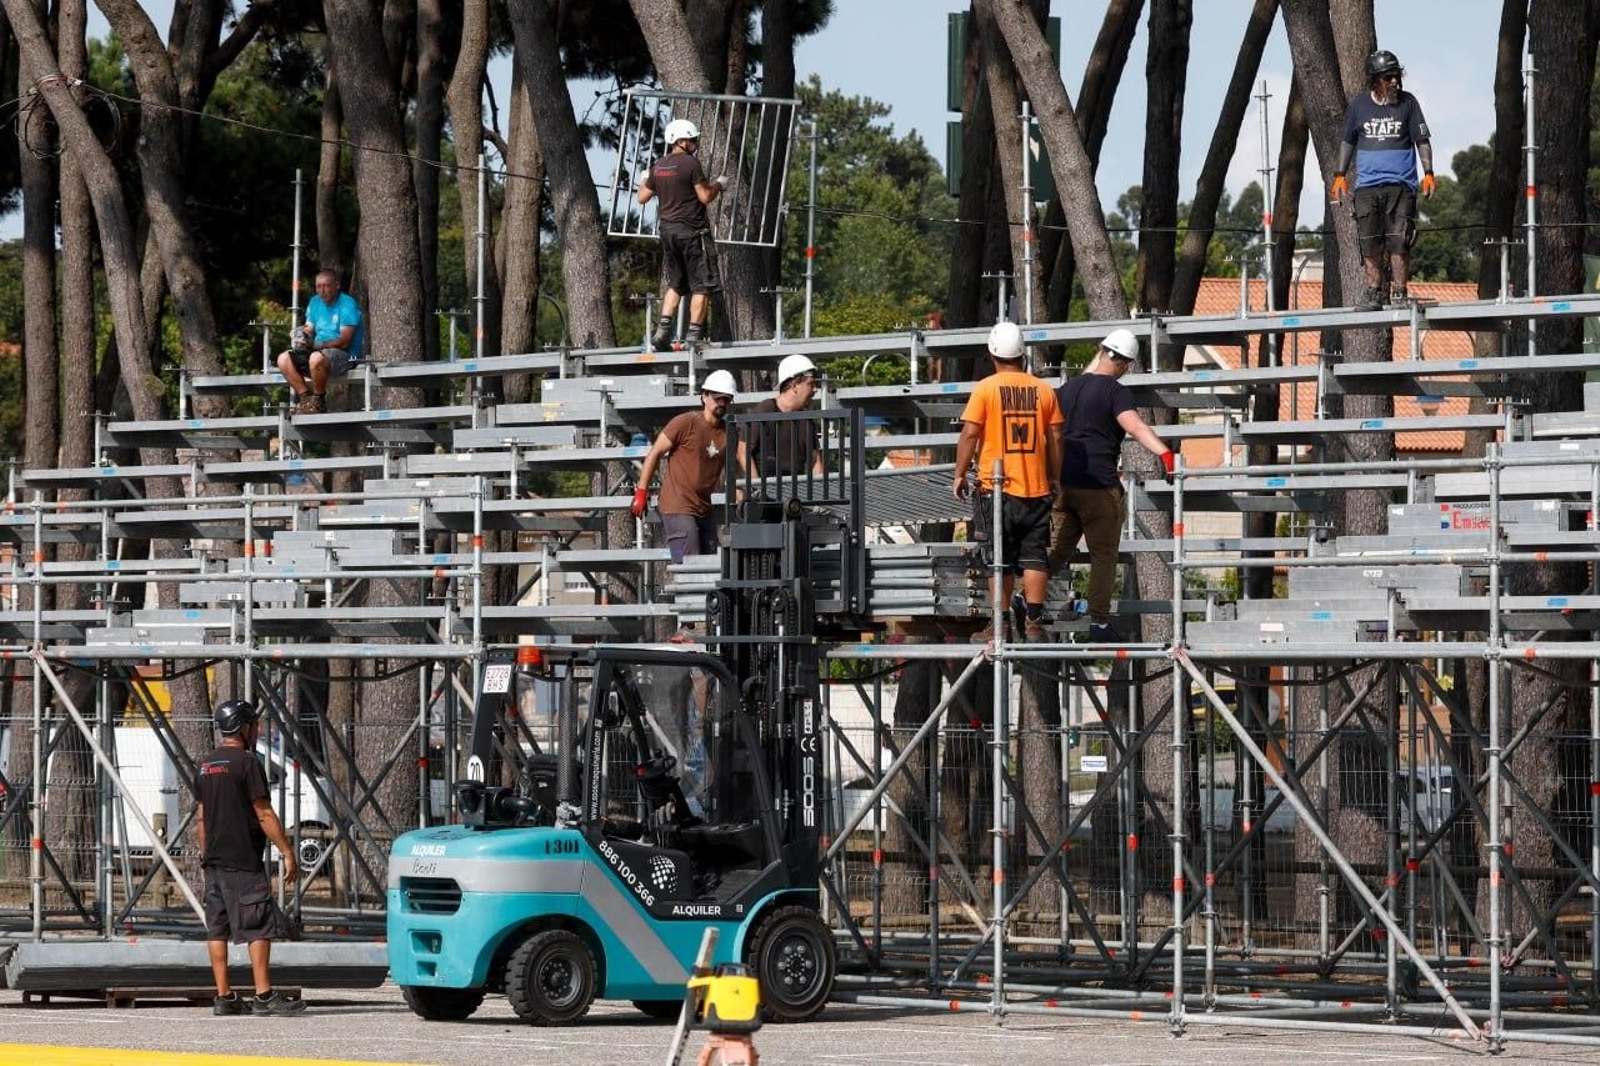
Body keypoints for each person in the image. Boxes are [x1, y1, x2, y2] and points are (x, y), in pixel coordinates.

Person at [1047, 329, 1175, 644]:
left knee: (1056, 549)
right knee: (1103, 555)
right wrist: (1165, 453)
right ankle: (1099, 622)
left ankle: (1026, 598)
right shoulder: (1115, 392)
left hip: (1063, 484)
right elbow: (1135, 426)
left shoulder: (1066, 389)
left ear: (1102, 351)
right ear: (1126, 364)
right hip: (1098, 485)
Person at [952, 322, 1064, 642]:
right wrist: (1054, 475)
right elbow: (1056, 436)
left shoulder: (986, 389)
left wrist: (960, 473)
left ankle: (999, 624)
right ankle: (1034, 622)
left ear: (992, 354)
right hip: (1036, 488)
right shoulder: (1043, 390)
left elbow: (970, 433)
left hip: (995, 489)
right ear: (1022, 354)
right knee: (1034, 557)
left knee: (996, 558)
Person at [196, 699, 306, 1016]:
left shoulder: (206, 765)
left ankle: (224, 997)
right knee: (258, 925)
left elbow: (201, 818)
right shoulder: (247, 763)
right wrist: (287, 852)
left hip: (214, 862)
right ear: (243, 727)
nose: (256, 730)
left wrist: (206, 856)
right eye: (254, 725)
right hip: (243, 860)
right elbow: (264, 813)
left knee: (216, 928)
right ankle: (263, 996)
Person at [1330, 49, 1435, 310]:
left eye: (1397, 76)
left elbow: (1422, 141)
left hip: (1400, 186)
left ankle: (1399, 293)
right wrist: (1339, 175)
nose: (1395, 82)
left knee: (1399, 239)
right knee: (1370, 242)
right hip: (1366, 187)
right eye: (1389, 77)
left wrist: (1429, 173)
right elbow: (1347, 141)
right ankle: (1374, 293)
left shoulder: (1408, 103)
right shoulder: (1358, 105)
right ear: (1375, 79)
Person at [632, 369, 739, 565]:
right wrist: (641, 492)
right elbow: (655, 452)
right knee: (689, 563)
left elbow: (736, 471)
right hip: (678, 505)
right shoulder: (685, 423)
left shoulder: (729, 433)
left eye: (726, 399)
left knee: (710, 565)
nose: (722, 403)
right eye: (717, 398)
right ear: (704, 396)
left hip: (704, 508)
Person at [638, 119, 727, 349]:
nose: (696, 144)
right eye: (693, 140)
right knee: (702, 286)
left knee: (676, 284)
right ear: (681, 141)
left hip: (667, 233)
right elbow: (705, 197)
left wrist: (644, 179)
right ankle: (694, 338)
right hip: (693, 233)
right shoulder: (690, 164)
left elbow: (642, 197)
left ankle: (663, 331)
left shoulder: (658, 166)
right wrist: (719, 184)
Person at [276, 269, 363, 415]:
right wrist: (301, 335)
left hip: (345, 356)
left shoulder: (347, 304)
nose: (322, 291)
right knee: (283, 359)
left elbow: (344, 342)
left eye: (326, 286)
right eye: (318, 286)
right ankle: (306, 400)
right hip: (317, 354)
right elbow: (310, 327)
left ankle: (319, 401)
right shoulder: (315, 302)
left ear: (336, 285)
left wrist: (317, 345)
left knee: (316, 357)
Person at [739, 354, 824, 481]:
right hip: (766, 494)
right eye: (810, 384)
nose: (815, 390)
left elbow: (815, 462)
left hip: (793, 494)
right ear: (795, 385)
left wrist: (818, 494)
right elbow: (743, 451)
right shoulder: (765, 410)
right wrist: (757, 489)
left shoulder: (806, 421)